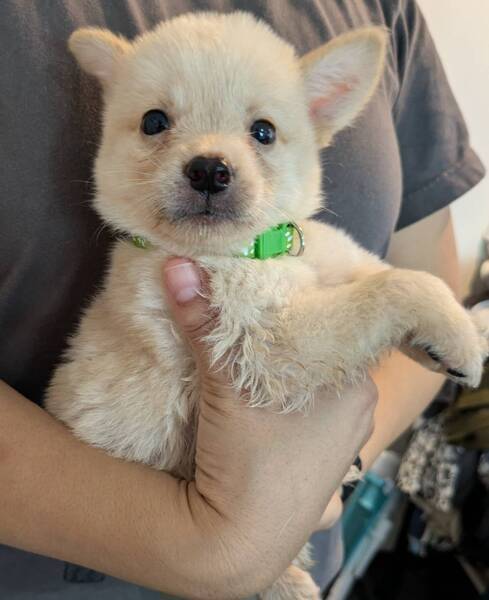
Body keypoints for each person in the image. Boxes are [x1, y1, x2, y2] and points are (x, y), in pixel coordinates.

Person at [0, 0, 485, 598]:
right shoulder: (168, 268)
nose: (210, 163)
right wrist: (399, 303)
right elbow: (280, 355)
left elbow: (386, 275)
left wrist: (315, 484)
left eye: (261, 133)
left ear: (319, 117)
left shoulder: (293, 241)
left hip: (296, 536)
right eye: (157, 123)